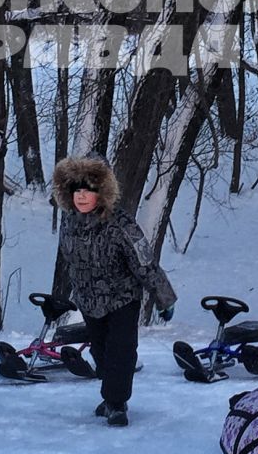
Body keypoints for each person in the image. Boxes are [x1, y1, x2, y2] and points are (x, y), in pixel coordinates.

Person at [52, 156, 177, 428]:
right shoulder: (69, 222)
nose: (82, 197)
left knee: (121, 350)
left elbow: (143, 260)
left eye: (89, 191)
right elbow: (68, 261)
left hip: (122, 298)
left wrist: (163, 296)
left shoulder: (121, 223)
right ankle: (110, 396)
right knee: (101, 352)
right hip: (89, 300)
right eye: (77, 191)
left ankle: (117, 403)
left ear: (102, 193)